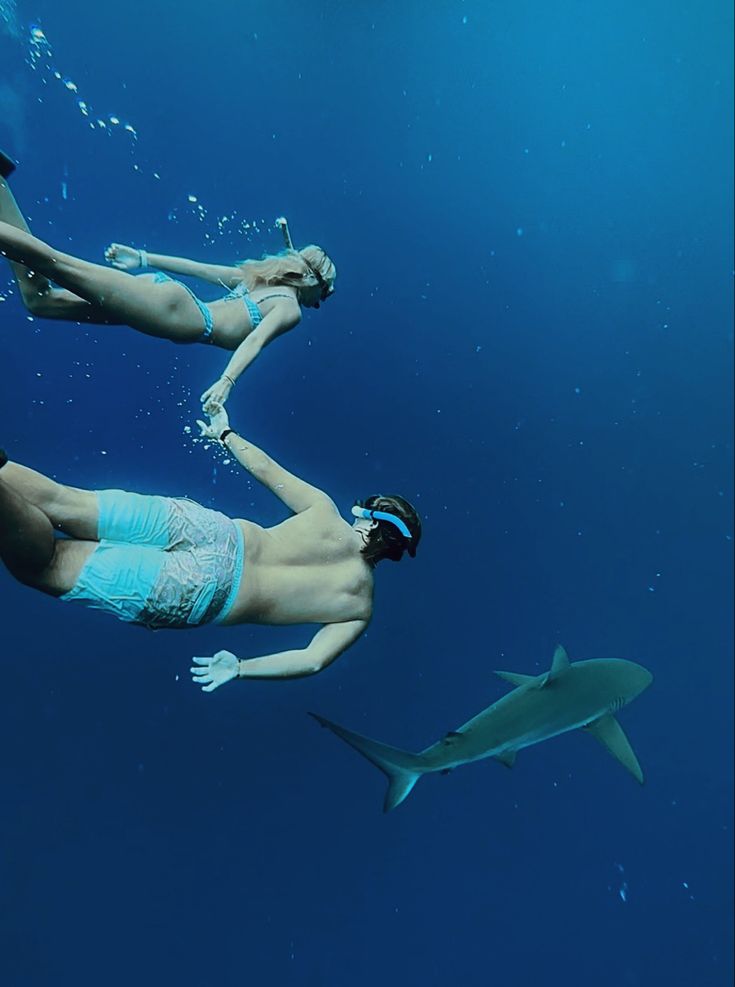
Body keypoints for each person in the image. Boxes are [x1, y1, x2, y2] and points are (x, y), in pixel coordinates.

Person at [0, 404, 421, 690]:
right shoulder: (359, 607)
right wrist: (239, 668)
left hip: (214, 531)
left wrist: (224, 430)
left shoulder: (326, 512)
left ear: (370, 516)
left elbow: (265, 469)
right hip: (202, 593)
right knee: (47, 566)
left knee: (62, 500)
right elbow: (312, 660)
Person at [0, 149, 336, 408]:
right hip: (173, 312)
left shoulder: (260, 281)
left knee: (42, 300)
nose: (318, 304)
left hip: (169, 301)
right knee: (55, 263)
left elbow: (197, 268)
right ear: (309, 280)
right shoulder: (289, 308)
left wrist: (144, 258)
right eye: (323, 294)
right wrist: (227, 382)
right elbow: (254, 341)